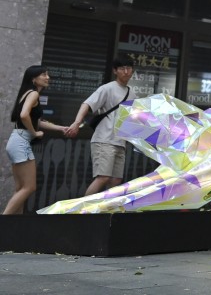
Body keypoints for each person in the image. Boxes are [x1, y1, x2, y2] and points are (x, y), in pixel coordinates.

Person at [4, 66, 70, 214]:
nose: (48, 77)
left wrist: (60, 128)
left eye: (47, 74)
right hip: (22, 141)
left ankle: (14, 228)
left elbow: (36, 121)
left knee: (20, 189)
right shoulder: (33, 94)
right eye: (44, 74)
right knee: (29, 187)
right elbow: (24, 115)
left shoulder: (27, 93)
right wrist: (34, 133)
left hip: (16, 140)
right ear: (33, 79)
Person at [66, 55, 135, 196]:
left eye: (129, 68)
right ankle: (84, 213)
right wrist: (77, 122)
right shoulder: (108, 88)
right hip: (104, 140)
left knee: (116, 181)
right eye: (122, 68)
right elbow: (87, 104)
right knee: (102, 177)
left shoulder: (132, 93)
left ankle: (106, 214)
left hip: (120, 142)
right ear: (115, 71)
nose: (126, 71)